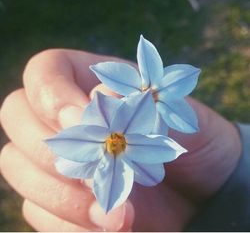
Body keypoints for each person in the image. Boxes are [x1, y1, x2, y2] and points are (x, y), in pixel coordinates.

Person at [0, 49, 249, 231]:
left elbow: (157, 138)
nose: (115, 143)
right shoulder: (144, 118)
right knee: (67, 167)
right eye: (114, 143)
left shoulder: (152, 117)